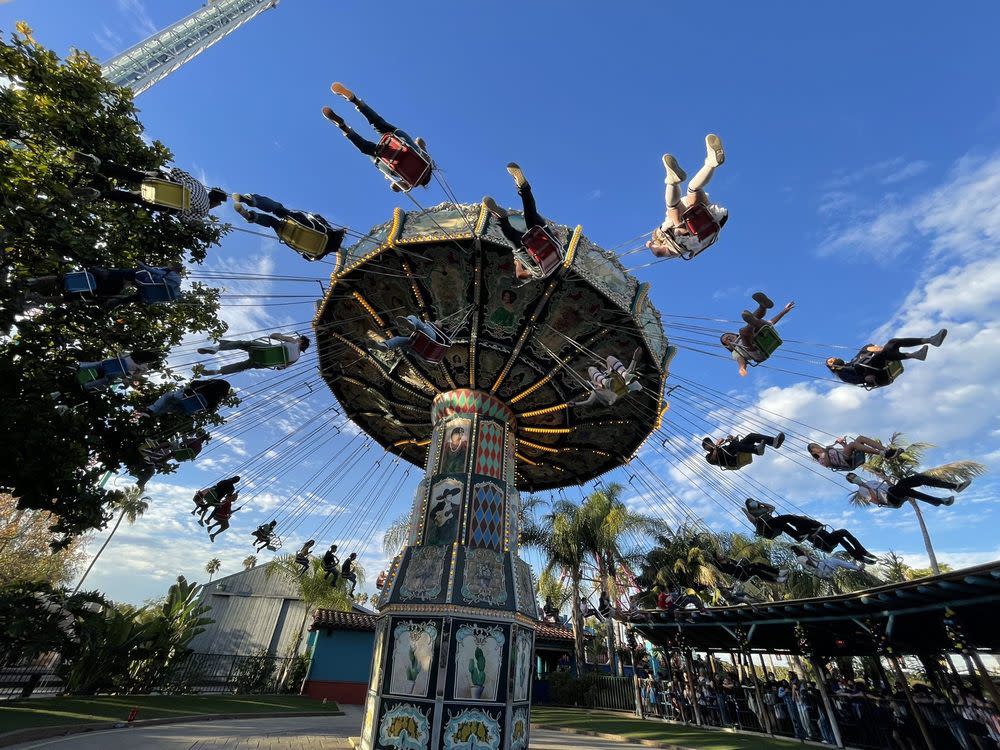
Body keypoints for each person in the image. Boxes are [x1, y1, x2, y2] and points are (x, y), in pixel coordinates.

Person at [322, 82, 431, 191]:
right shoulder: (410, 182)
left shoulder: (427, 162)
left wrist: (420, 145)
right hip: (389, 159)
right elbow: (394, 187)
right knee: (366, 149)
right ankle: (343, 127)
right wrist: (391, 179)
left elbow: (419, 140)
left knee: (378, 123)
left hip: (402, 143)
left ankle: (354, 100)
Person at [71, 152, 227, 222]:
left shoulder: (198, 185)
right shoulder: (204, 211)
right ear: (214, 202)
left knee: (134, 175)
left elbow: (176, 171)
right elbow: (184, 218)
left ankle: (99, 164)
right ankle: (100, 193)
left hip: (165, 182)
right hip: (165, 204)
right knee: (134, 198)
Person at [646, 135, 729, 259]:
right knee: (673, 205)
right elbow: (658, 253)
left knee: (694, 189)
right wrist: (650, 246)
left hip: (712, 221)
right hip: (693, 231)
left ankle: (711, 163)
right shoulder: (672, 247)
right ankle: (672, 182)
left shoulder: (680, 245)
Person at [482, 163, 558, 283]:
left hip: (547, 248)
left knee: (531, 213)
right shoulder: (536, 274)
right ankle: (500, 218)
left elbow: (557, 236)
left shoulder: (547, 267)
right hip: (536, 260)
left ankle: (523, 187)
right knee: (510, 234)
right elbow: (520, 275)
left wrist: (554, 235)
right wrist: (518, 263)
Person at [743, 499, 876, 563]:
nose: (753, 504)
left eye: (753, 502)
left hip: (825, 538)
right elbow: (752, 520)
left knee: (842, 535)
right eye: (751, 503)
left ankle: (859, 554)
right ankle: (860, 553)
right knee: (790, 519)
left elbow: (772, 507)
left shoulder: (804, 525)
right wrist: (746, 511)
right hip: (820, 540)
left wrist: (760, 503)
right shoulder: (754, 515)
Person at [232, 193, 345, 261]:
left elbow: (316, 218)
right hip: (288, 235)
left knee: (277, 209)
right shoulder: (318, 254)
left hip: (299, 223)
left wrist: (312, 216)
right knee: (272, 222)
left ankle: (253, 200)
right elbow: (305, 256)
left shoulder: (328, 232)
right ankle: (251, 216)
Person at [23, 263, 183, 310]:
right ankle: (41, 299)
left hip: (113, 277)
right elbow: (142, 297)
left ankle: (33, 282)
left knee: (70, 278)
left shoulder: (168, 273)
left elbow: (151, 271)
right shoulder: (169, 291)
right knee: (73, 296)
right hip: (111, 290)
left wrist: (143, 265)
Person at [827, 329, 948, 388]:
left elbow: (866, 349)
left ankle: (930, 340)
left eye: (833, 357)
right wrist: (866, 378)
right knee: (878, 356)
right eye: (832, 361)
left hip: (876, 365)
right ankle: (914, 355)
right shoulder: (843, 373)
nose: (835, 359)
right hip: (875, 375)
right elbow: (855, 381)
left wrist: (871, 348)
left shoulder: (852, 361)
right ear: (832, 367)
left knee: (892, 342)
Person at [720, 293, 795, 376]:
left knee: (755, 325)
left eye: (729, 335)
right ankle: (755, 318)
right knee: (743, 331)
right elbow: (740, 360)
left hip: (763, 334)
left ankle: (763, 306)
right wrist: (742, 368)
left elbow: (772, 322)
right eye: (726, 340)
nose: (728, 338)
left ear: (735, 335)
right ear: (727, 346)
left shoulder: (743, 335)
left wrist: (784, 311)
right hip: (755, 352)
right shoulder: (735, 351)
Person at [846, 471, 971, 508]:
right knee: (899, 489)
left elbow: (888, 486)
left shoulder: (871, 481)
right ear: (852, 482)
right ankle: (938, 500)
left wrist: (887, 480)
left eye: (854, 475)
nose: (855, 478)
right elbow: (876, 501)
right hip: (890, 499)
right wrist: (868, 488)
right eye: (852, 479)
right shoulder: (862, 491)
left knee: (917, 479)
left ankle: (954, 486)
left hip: (894, 491)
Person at [197, 334, 310, 375]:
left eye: (298, 338)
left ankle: (218, 348)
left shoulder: (292, 341)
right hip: (262, 362)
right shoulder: (296, 359)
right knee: (242, 366)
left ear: (300, 341)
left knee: (243, 344)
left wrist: (284, 337)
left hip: (261, 349)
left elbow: (272, 336)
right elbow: (280, 368)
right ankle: (218, 371)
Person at [575, 349, 643, 408]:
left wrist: (634, 358)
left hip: (624, 384)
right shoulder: (596, 386)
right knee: (591, 369)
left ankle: (625, 375)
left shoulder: (611, 371)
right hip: (614, 393)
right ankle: (606, 382)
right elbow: (589, 401)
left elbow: (629, 370)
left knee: (609, 358)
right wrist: (575, 404)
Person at [135, 434, 207, 490]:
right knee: (169, 453)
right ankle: (160, 460)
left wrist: (184, 436)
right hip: (181, 455)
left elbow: (184, 442)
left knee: (169, 443)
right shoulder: (200, 448)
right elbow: (193, 456)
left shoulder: (195, 440)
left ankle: (155, 449)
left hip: (179, 450)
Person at [139, 378, 231, 417]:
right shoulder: (216, 401)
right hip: (189, 409)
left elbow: (194, 383)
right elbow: (209, 410)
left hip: (184, 398)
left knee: (168, 395)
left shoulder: (208, 384)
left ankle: (151, 410)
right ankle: (155, 413)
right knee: (170, 407)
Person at [76, 351, 160, 392]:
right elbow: (135, 375)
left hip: (112, 366)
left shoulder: (133, 355)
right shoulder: (143, 366)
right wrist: (128, 381)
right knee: (106, 380)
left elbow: (120, 355)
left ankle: (80, 366)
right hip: (116, 370)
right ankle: (86, 386)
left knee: (99, 364)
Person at [807, 435, 899, 471]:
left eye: (815, 444)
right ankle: (881, 453)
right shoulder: (821, 459)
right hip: (845, 462)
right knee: (852, 444)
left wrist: (842, 443)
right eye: (813, 447)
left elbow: (844, 450)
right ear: (812, 452)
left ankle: (886, 451)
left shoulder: (829, 449)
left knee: (860, 438)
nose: (816, 446)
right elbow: (828, 464)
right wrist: (826, 451)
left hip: (846, 456)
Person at [703, 431, 785, 469]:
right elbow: (713, 460)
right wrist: (717, 446)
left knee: (751, 436)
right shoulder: (709, 456)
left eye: (710, 441)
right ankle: (756, 450)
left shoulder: (722, 447)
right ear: (706, 448)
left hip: (737, 452)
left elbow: (737, 445)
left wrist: (733, 438)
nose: (710, 443)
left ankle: (773, 442)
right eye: (707, 444)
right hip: (732, 461)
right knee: (734, 445)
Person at [377, 315, 447, 353]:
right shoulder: (430, 324)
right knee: (398, 339)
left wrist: (436, 326)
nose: (436, 322)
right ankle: (385, 345)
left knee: (414, 318)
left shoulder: (438, 330)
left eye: (437, 322)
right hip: (418, 342)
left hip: (431, 339)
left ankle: (411, 322)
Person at [712, 552, 788, 584]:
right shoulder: (722, 567)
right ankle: (776, 580)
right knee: (755, 571)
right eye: (719, 554)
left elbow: (738, 563)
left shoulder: (728, 560)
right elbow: (733, 569)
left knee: (757, 564)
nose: (721, 554)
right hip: (741, 575)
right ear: (717, 559)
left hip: (744, 569)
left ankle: (778, 572)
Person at [791, 545, 863, 577]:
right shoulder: (801, 558)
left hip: (823, 567)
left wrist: (809, 555)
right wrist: (807, 556)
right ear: (798, 551)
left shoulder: (801, 557)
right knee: (836, 561)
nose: (802, 549)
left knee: (835, 558)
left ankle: (851, 565)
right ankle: (857, 568)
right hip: (824, 569)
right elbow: (812, 565)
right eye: (800, 549)